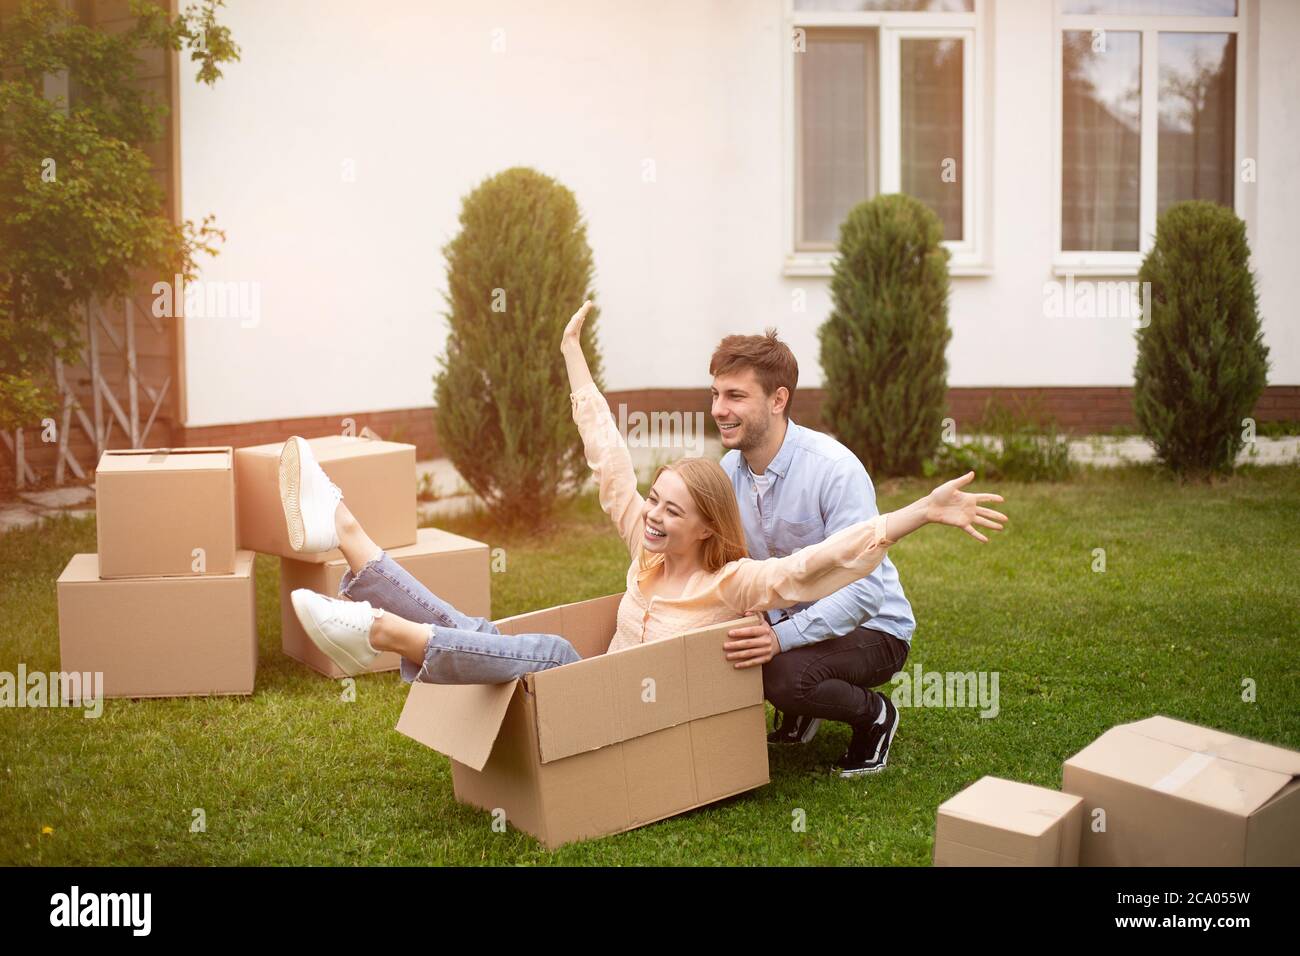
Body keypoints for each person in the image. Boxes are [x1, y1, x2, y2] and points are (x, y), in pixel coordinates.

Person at [283, 302, 1006, 701]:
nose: (653, 516)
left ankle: (380, 632)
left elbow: (823, 565)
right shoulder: (651, 548)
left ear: (707, 527)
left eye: (671, 511)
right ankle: (349, 534)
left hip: (634, 705)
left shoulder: (737, 582)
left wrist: (916, 514)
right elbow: (609, 461)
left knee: (554, 649)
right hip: (587, 694)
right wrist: (572, 354)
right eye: (654, 504)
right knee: (495, 634)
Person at [709, 329, 918, 776]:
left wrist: (779, 639)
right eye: (715, 394)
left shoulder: (835, 470)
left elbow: (865, 594)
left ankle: (876, 715)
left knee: (782, 677)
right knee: (722, 642)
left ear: (777, 400)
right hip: (792, 617)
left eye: (735, 396)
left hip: (875, 626)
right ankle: (803, 709)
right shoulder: (730, 471)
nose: (718, 410)